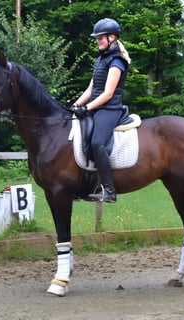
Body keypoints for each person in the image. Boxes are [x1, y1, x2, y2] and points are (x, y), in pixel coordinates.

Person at [71, 18, 131, 203]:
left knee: (97, 143)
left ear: (112, 37)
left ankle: (109, 190)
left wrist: (87, 108)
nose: (98, 41)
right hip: (96, 107)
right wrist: (75, 105)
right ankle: (83, 185)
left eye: (101, 38)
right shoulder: (101, 59)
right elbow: (91, 89)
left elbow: (108, 93)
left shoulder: (117, 61)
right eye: (97, 38)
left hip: (109, 109)